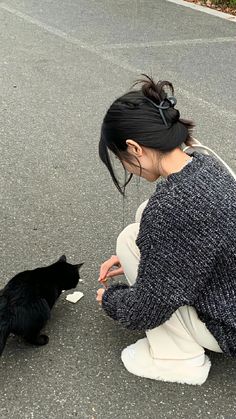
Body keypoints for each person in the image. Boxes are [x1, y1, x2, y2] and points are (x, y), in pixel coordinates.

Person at [96, 75, 236, 385]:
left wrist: (110, 299)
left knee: (134, 232)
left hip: (228, 326)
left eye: (122, 160)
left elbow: (146, 309)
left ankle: (179, 358)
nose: (126, 168)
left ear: (134, 148)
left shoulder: (173, 207)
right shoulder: (204, 163)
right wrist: (154, 259)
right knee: (144, 217)